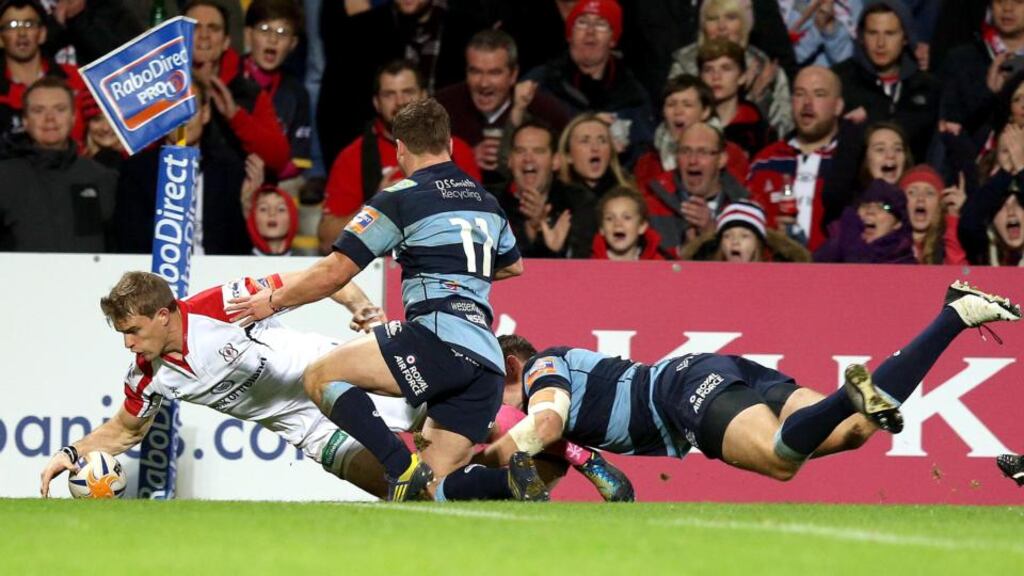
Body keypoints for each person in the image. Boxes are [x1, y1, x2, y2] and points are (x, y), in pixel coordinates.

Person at [225, 98, 545, 503]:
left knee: (319, 377)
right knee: (435, 489)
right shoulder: (486, 201)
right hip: (485, 360)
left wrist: (273, 301)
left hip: (436, 337)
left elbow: (335, 271)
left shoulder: (401, 197)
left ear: (400, 148)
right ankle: (508, 483)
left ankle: (399, 465)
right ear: (447, 141)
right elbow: (513, 266)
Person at [483, 282, 1021, 487]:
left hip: (679, 389)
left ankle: (844, 395)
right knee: (856, 431)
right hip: (721, 370)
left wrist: (485, 455)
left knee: (778, 460)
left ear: (510, 367)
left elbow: (545, 421)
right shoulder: (552, 394)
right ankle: (956, 314)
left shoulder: (540, 368)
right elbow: (544, 473)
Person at [37, 270, 423, 499]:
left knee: (468, 435)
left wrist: (365, 311)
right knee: (411, 493)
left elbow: (321, 278)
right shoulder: (148, 374)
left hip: (341, 380)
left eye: (134, 331)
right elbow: (124, 430)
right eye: (123, 334)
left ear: (163, 315)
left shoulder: (222, 306)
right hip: (310, 432)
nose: (128, 343)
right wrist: (71, 452)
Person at [317, 60, 480, 255]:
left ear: (424, 96)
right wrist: (375, 206)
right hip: (376, 273)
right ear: (377, 103)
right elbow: (327, 240)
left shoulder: (458, 151)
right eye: (389, 94)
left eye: (408, 92)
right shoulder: (352, 157)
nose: (400, 101)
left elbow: (482, 228)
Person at [524, 0, 655, 165]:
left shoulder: (632, 95)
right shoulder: (540, 83)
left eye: (601, 24)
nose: (590, 31)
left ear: (613, 39)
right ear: (569, 35)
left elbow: (643, 156)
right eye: (582, 22)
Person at [435, 29, 570, 186]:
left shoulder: (545, 111)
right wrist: (464, 157)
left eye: (494, 73)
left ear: (513, 75)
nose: (484, 83)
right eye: (476, 71)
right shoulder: (441, 107)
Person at [747, 65, 862, 251]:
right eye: (800, 94)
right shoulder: (765, 161)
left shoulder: (852, 161)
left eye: (819, 94)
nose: (807, 102)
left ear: (838, 106)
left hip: (835, 274)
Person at [0, 76, 116, 252]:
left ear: (73, 117)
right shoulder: (4, 177)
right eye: (38, 110)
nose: (50, 118)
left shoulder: (103, 178)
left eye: (60, 109)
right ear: (25, 120)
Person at [185, 0, 290, 176]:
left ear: (226, 42)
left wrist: (236, 117)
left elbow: (279, 159)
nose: (204, 35)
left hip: (234, 196)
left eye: (214, 28)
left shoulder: (249, 93)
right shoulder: (161, 87)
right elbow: (136, 151)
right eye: (195, 27)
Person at [667, 0, 793, 140]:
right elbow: (672, 129)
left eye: (731, 17)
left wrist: (761, 98)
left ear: (744, 24)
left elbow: (784, 132)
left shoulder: (765, 70)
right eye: (713, 19)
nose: (722, 27)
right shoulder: (684, 66)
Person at [832, 0, 938, 162]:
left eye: (890, 33)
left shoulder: (927, 87)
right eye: (872, 33)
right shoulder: (840, 81)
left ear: (905, 38)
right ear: (861, 37)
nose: (880, 44)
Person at [633, 74, 748, 197]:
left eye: (687, 105)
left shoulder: (731, 155)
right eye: (671, 105)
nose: (678, 111)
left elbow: (739, 199)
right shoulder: (647, 163)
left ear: (705, 111)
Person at [644, 122, 750, 255]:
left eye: (703, 152)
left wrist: (713, 236)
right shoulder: (651, 207)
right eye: (685, 151)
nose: (693, 160)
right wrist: (685, 253)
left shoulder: (744, 207)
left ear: (722, 159)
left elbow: (758, 266)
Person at [499, 120, 596, 259]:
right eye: (520, 151)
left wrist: (551, 243)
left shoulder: (579, 202)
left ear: (555, 161)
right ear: (510, 160)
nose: (528, 159)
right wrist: (530, 230)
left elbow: (583, 265)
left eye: (538, 151)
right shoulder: (488, 204)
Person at [0, 0, 87, 147]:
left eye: (29, 24)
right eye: (12, 26)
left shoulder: (77, 79)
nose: (22, 33)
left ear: (42, 33)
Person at [242, 0, 311, 180]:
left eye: (282, 32)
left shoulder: (297, 93)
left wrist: (266, 178)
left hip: (275, 183)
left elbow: (299, 161)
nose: (273, 39)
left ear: (293, 43)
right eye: (264, 29)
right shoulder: (229, 78)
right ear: (248, 35)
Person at [812, 178, 915, 264]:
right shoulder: (831, 252)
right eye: (865, 205)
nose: (870, 211)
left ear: (898, 223)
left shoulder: (905, 263)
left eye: (884, 207)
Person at [697, 38, 770, 159]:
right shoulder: (689, 122)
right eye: (708, 69)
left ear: (742, 77)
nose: (716, 77)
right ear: (700, 78)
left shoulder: (758, 130)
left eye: (726, 68)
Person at [678, 200, 811, 262]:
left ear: (758, 243)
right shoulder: (704, 279)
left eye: (744, 236)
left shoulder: (779, 279)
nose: (735, 242)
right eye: (727, 236)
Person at [898, 165, 967, 265]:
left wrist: (953, 217)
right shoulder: (889, 244)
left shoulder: (945, 245)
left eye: (929, 193)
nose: (921, 198)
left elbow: (959, 275)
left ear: (939, 204)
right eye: (912, 192)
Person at [591, 185, 667, 260]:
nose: (618, 224)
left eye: (626, 218)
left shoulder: (657, 264)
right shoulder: (590, 266)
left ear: (642, 226)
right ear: (601, 229)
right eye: (609, 218)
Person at [247, 184, 298, 256]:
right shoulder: (239, 264)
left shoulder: (306, 265)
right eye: (263, 209)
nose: (272, 213)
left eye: (281, 209)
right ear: (253, 219)